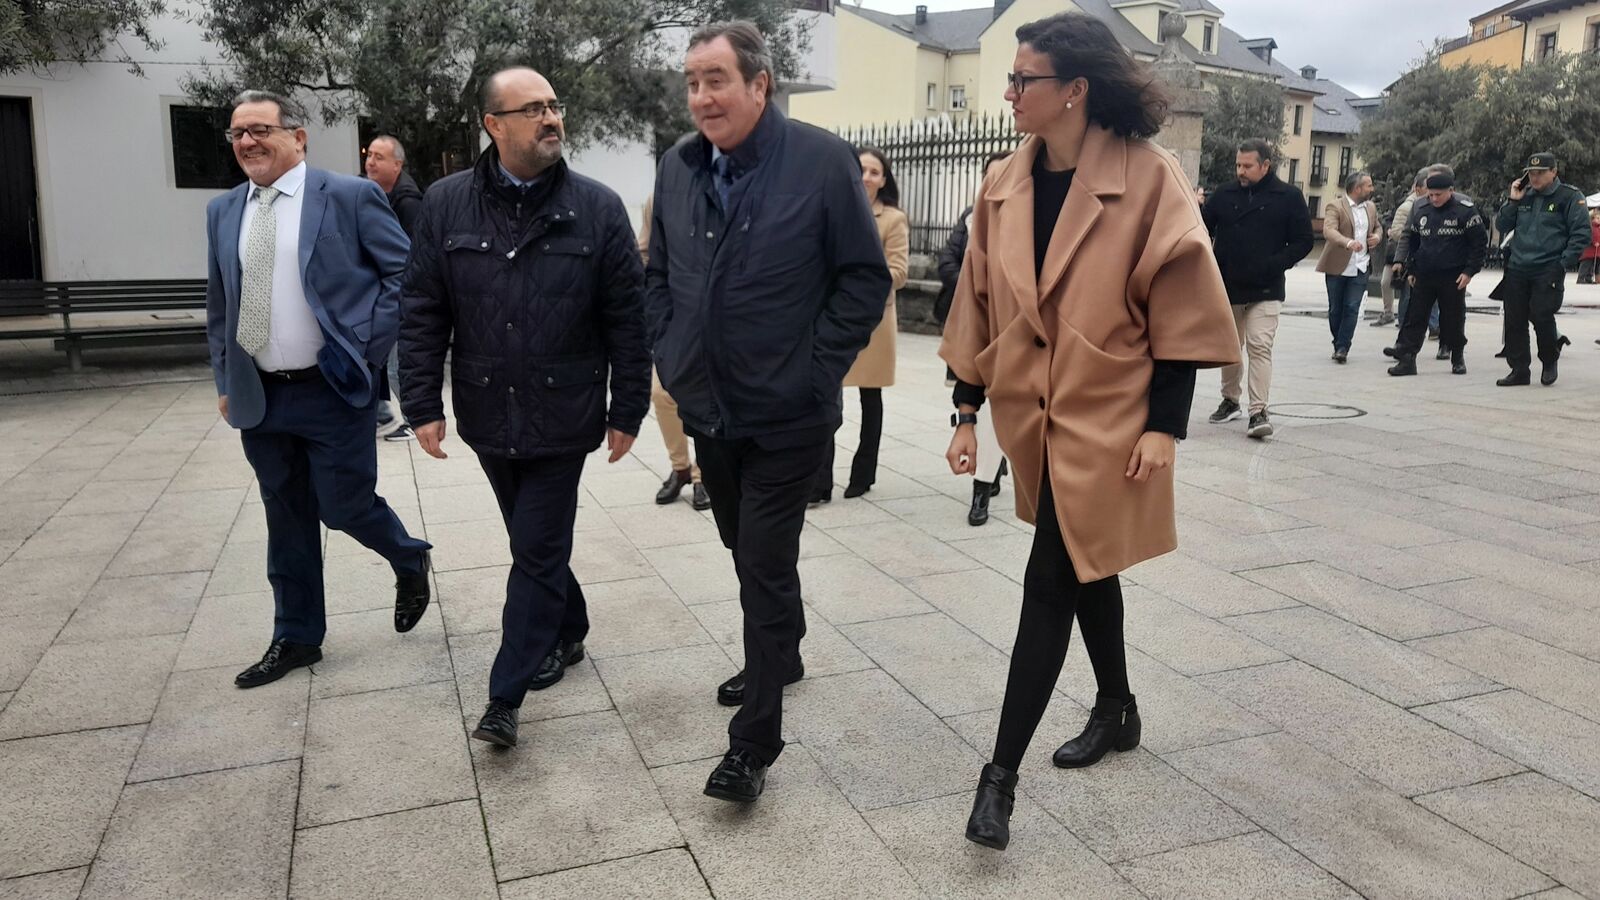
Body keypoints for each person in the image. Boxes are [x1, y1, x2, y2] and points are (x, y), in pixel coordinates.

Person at [941, 12, 1239, 852]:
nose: (1009, 94)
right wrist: (966, 411)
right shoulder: (1002, 183)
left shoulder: (1150, 177)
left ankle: (998, 777)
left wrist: (1165, 428)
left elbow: (1180, 300)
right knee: (1086, 561)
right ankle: (1119, 707)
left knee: (1051, 577)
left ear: (1074, 90)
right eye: (1011, 78)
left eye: (1023, 80)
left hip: (1112, 410)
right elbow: (978, 303)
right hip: (1031, 410)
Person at [645, 21, 889, 802]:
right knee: (738, 545)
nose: (700, 96)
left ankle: (753, 740)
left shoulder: (819, 161)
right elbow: (659, 275)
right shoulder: (678, 169)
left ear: (760, 84)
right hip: (709, 409)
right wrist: (670, 352)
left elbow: (864, 278)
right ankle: (783, 646)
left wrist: (813, 369)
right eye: (691, 81)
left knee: (762, 562)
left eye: (716, 79)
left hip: (788, 416)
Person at [399, 68, 651, 747]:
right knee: (532, 540)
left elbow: (628, 318)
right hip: (487, 412)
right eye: (533, 109)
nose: (551, 119)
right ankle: (568, 629)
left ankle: (504, 695)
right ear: (494, 125)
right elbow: (423, 308)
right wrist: (421, 399)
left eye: (554, 106)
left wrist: (627, 407)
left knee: (536, 550)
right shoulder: (447, 205)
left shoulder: (597, 208)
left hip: (564, 414)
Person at [205, 90, 432, 689]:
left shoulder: (351, 196)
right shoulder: (225, 210)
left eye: (260, 129)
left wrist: (364, 347)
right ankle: (297, 635)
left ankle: (408, 556)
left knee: (343, 505)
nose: (247, 142)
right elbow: (220, 304)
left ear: (298, 137)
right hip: (261, 395)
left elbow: (404, 276)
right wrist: (226, 378)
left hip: (332, 386)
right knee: (287, 518)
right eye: (236, 134)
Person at [812, 146, 909, 502]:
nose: (867, 177)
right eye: (862, 170)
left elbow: (899, 271)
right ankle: (820, 481)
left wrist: (860, 276)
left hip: (874, 321)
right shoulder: (833, 209)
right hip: (833, 316)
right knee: (825, 396)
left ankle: (863, 473)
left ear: (883, 180)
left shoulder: (893, 219)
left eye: (874, 172)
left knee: (871, 398)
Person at [1201, 139, 1313, 439]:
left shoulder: (1288, 197)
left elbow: (1304, 240)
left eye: (1247, 166)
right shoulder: (1224, 194)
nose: (1241, 171)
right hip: (1228, 286)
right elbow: (1201, 227)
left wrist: (1276, 263)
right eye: (1238, 165)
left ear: (1265, 165)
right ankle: (1230, 399)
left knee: (1260, 347)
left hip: (1267, 287)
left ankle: (1258, 411)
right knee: (1229, 348)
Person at [936, 152, 1013, 526]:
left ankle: (983, 487)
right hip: (973, 326)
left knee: (997, 417)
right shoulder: (970, 217)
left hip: (1010, 338)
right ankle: (988, 475)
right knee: (976, 410)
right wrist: (968, 286)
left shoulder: (1024, 217)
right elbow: (949, 260)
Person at [637, 197, 710, 511]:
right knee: (661, 393)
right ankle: (680, 468)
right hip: (676, 316)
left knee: (710, 397)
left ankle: (702, 475)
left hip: (723, 316)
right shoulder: (660, 197)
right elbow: (645, 251)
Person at [1492, 152, 1588, 386]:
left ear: (1554, 172)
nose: (1534, 178)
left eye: (1540, 173)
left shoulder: (1569, 197)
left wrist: (1563, 263)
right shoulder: (1524, 196)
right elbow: (1502, 225)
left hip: (1548, 267)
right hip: (1518, 266)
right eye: (1531, 173)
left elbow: (1581, 233)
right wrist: (1513, 200)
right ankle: (1519, 369)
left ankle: (1549, 359)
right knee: (1514, 320)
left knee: (1541, 314)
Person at [1386, 172, 1487, 377]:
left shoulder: (1465, 211)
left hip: (1453, 275)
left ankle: (1457, 356)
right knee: (1415, 318)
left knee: (1453, 319)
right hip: (1424, 274)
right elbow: (1413, 241)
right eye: (1431, 194)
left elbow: (1479, 244)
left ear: (1451, 191)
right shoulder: (1422, 210)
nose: (1434, 199)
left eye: (1438, 195)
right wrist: (1411, 269)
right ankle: (1407, 360)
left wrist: (1469, 272)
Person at [365, 135, 424, 442]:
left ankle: (418, 419)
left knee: (396, 364)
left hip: (404, 295)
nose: (371, 162)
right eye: (369, 155)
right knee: (378, 356)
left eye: (379, 157)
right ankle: (381, 413)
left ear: (397, 164)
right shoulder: (376, 194)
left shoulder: (408, 202)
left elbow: (415, 255)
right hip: (382, 294)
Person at [1315, 171, 1380, 364]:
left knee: (1352, 307)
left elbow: (1377, 227)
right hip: (1338, 265)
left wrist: (1377, 237)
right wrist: (1348, 243)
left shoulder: (1371, 207)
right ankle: (1338, 342)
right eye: (1369, 185)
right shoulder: (1336, 206)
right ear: (1357, 188)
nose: (1372, 188)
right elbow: (1329, 230)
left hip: (1361, 265)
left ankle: (1343, 347)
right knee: (1336, 309)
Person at [1377, 169, 1429, 328]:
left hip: (1411, 255)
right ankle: (1400, 319)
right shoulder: (1409, 206)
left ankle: (1406, 321)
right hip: (1403, 255)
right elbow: (1400, 233)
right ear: (1418, 188)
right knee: (1401, 289)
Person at [1577, 207, 1600, 284]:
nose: (1598, 220)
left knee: (1591, 266)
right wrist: (1594, 242)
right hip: (1589, 250)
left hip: (1595, 250)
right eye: (1597, 218)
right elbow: (1591, 236)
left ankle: (1588, 278)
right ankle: (1580, 278)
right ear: (1592, 219)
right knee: (1586, 265)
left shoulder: (1598, 227)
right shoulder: (1591, 227)